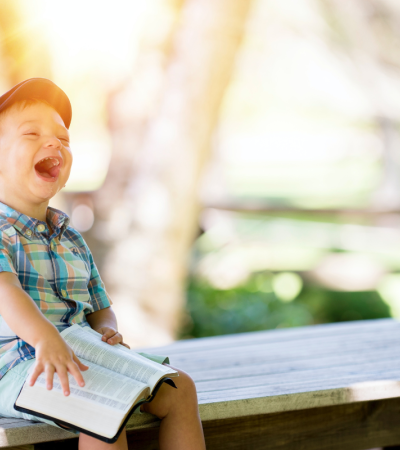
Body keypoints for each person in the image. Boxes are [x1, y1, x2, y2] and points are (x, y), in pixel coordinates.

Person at [0, 78, 206, 450]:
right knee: (105, 407)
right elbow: (5, 291)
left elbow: (99, 308)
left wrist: (107, 329)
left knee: (180, 388)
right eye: (31, 133)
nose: (53, 143)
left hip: (83, 355)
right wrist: (45, 338)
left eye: (63, 140)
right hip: (16, 368)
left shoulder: (70, 236)